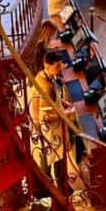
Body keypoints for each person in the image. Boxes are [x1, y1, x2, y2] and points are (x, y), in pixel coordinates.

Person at [29, 49, 79, 190]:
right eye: (56, 67)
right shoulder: (46, 87)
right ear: (47, 66)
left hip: (48, 128)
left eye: (60, 66)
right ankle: (63, 191)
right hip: (51, 130)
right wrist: (68, 113)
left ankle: (44, 185)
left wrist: (64, 103)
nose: (59, 69)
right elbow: (45, 117)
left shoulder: (44, 76)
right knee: (58, 159)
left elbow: (54, 99)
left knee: (48, 156)